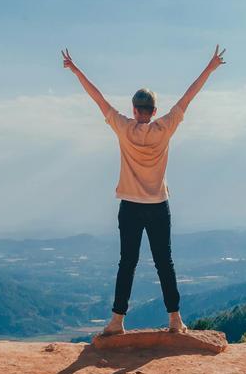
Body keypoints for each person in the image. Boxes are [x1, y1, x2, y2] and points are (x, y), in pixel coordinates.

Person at [62, 45, 226, 335]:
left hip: (130, 205)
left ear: (135, 110)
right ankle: (175, 319)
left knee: (127, 263)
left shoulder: (123, 128)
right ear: (154, 111)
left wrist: (76, 71)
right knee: (165, 262)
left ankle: (117, 321)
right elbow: (189, 96)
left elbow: (97, 98)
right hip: (159, 205)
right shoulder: (165, 128)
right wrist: (210, 68)